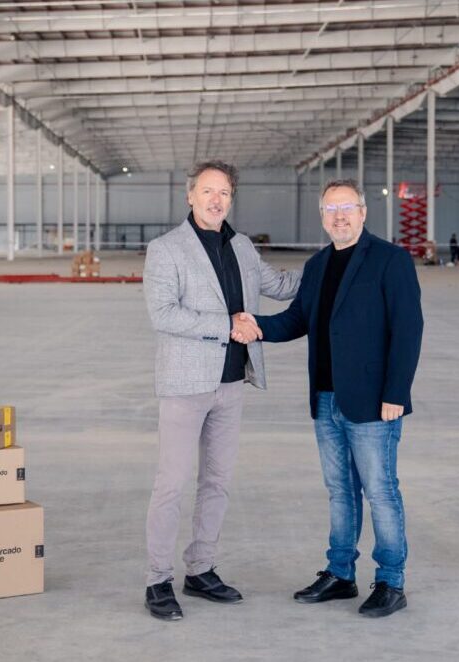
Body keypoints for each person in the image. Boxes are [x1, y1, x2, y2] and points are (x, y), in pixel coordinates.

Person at [238, 179, 423, 618]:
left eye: (347, 208)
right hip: (326, 398)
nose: (339, 217)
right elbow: (298, 319)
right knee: (340, 491)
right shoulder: (318, 264)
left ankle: (391, 581)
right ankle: (340, 574)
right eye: (331, 210)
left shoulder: (390, 259)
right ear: (322, 217)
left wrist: (396, 392)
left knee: (380, 491)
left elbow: (408, 328)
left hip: (373, 401)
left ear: (363, 212)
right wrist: (257, 326)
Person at [142, 161, 301, 621]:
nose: (216, 200)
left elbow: (280, 285)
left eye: (225, 193)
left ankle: (201, 569)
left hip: (232, 384)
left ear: (232, 199)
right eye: (208, 191)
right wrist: (226, 325)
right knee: (171, 485)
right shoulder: (166, 249)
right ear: (190, 195)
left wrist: (333, 260)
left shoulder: (242, 246)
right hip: (185, 385)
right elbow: (163, 314)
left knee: (217, 482)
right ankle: (157, 579)